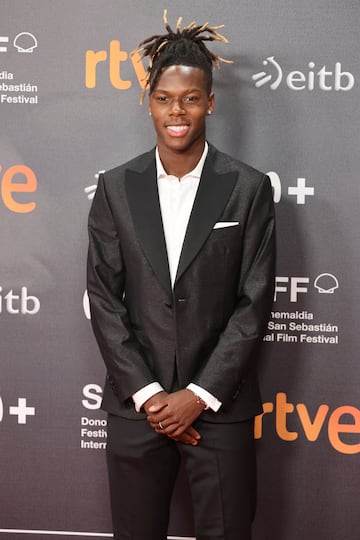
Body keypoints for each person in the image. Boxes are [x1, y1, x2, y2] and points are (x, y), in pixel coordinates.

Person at [87, 10, 275, 540]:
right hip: (136, 405)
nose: (178, 111)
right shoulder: (115, 187)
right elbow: (103, 298)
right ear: (149, 102)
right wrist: (149, 394)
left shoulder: (248, 187)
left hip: (219, 407)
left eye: (191, 98)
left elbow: (253, 302)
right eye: (165, 98)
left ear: (210, 103)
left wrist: (198, 394)